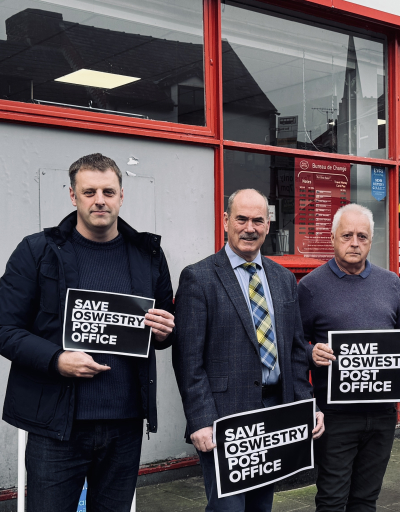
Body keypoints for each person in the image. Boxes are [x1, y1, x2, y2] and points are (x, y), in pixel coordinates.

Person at [0, 153, 176, 512]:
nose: (100, 200)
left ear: (121, 196)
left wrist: (165, 330)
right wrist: (56, 359)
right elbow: (4, 328)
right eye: (90, 191)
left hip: (125, 423)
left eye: (108, 191)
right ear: (72, 195)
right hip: (55, 426)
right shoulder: (37, 251)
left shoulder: (148, 254)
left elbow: (164, 326)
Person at [173, 188, 324, 512]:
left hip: (275, 413)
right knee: (228, 507)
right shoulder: (198, 278)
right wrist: (200, 420)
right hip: (224, 417)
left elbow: (297, 352)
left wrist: (307, 406)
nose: (250, 227)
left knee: (261, 505)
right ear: (226, 221)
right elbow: (188, 360)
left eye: (258, 220)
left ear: (268, 225)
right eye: (241, 219)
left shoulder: (283, 279)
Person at [300, 203, 400, 512]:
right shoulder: (310, 286)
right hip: (335, 415)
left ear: (371, 240)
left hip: (382, 414)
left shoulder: (390, 283)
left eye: (362, 236)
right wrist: (311, 352)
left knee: (366, 500)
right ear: (333, 237)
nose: (354, 243)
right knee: (332, 500)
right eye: (347, 235)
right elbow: (294, 346)